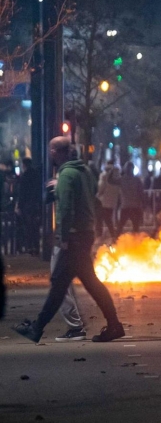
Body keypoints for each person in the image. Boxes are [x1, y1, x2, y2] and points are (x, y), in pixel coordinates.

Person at [13, 137, 125, 343]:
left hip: (73, 237)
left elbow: (65, 209)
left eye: (51, 150)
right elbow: (91, 195)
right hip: (85, 233)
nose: (49, 154)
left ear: (56, 152)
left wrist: (63, 237)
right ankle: (114, 325)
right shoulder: (84, 172)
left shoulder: (65, 175)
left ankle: (38, 328)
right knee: (88, 283)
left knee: (60, 284)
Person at [15, 158, 42, 255]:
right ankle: (36, 247)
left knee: (28, 227)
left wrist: (19, 206)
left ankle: (30, 248)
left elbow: (22, 193)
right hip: (35, 204)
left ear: (24, 165)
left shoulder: (25, 176)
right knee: (35, 227)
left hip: (27, 205)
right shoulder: (36, 175)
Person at [96, 161, 121, 239]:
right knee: (108, 218)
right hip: (113, 201)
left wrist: (97, 195)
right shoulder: (117, 176)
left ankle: (100, 235)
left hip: (103, 201)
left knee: (100, 218)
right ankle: (112, 235)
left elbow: (101, 188)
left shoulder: (104, 175)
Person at [118, 161, 144, 234]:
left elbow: (110, 181)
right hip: (135, 206)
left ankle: (116, 241)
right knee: (136, 226)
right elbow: (141, 193)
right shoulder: (137, 180)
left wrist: (112, 171)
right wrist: (142, 204)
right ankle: (135, 242)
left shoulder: (122, 179)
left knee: (120, 226)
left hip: (125, 205)